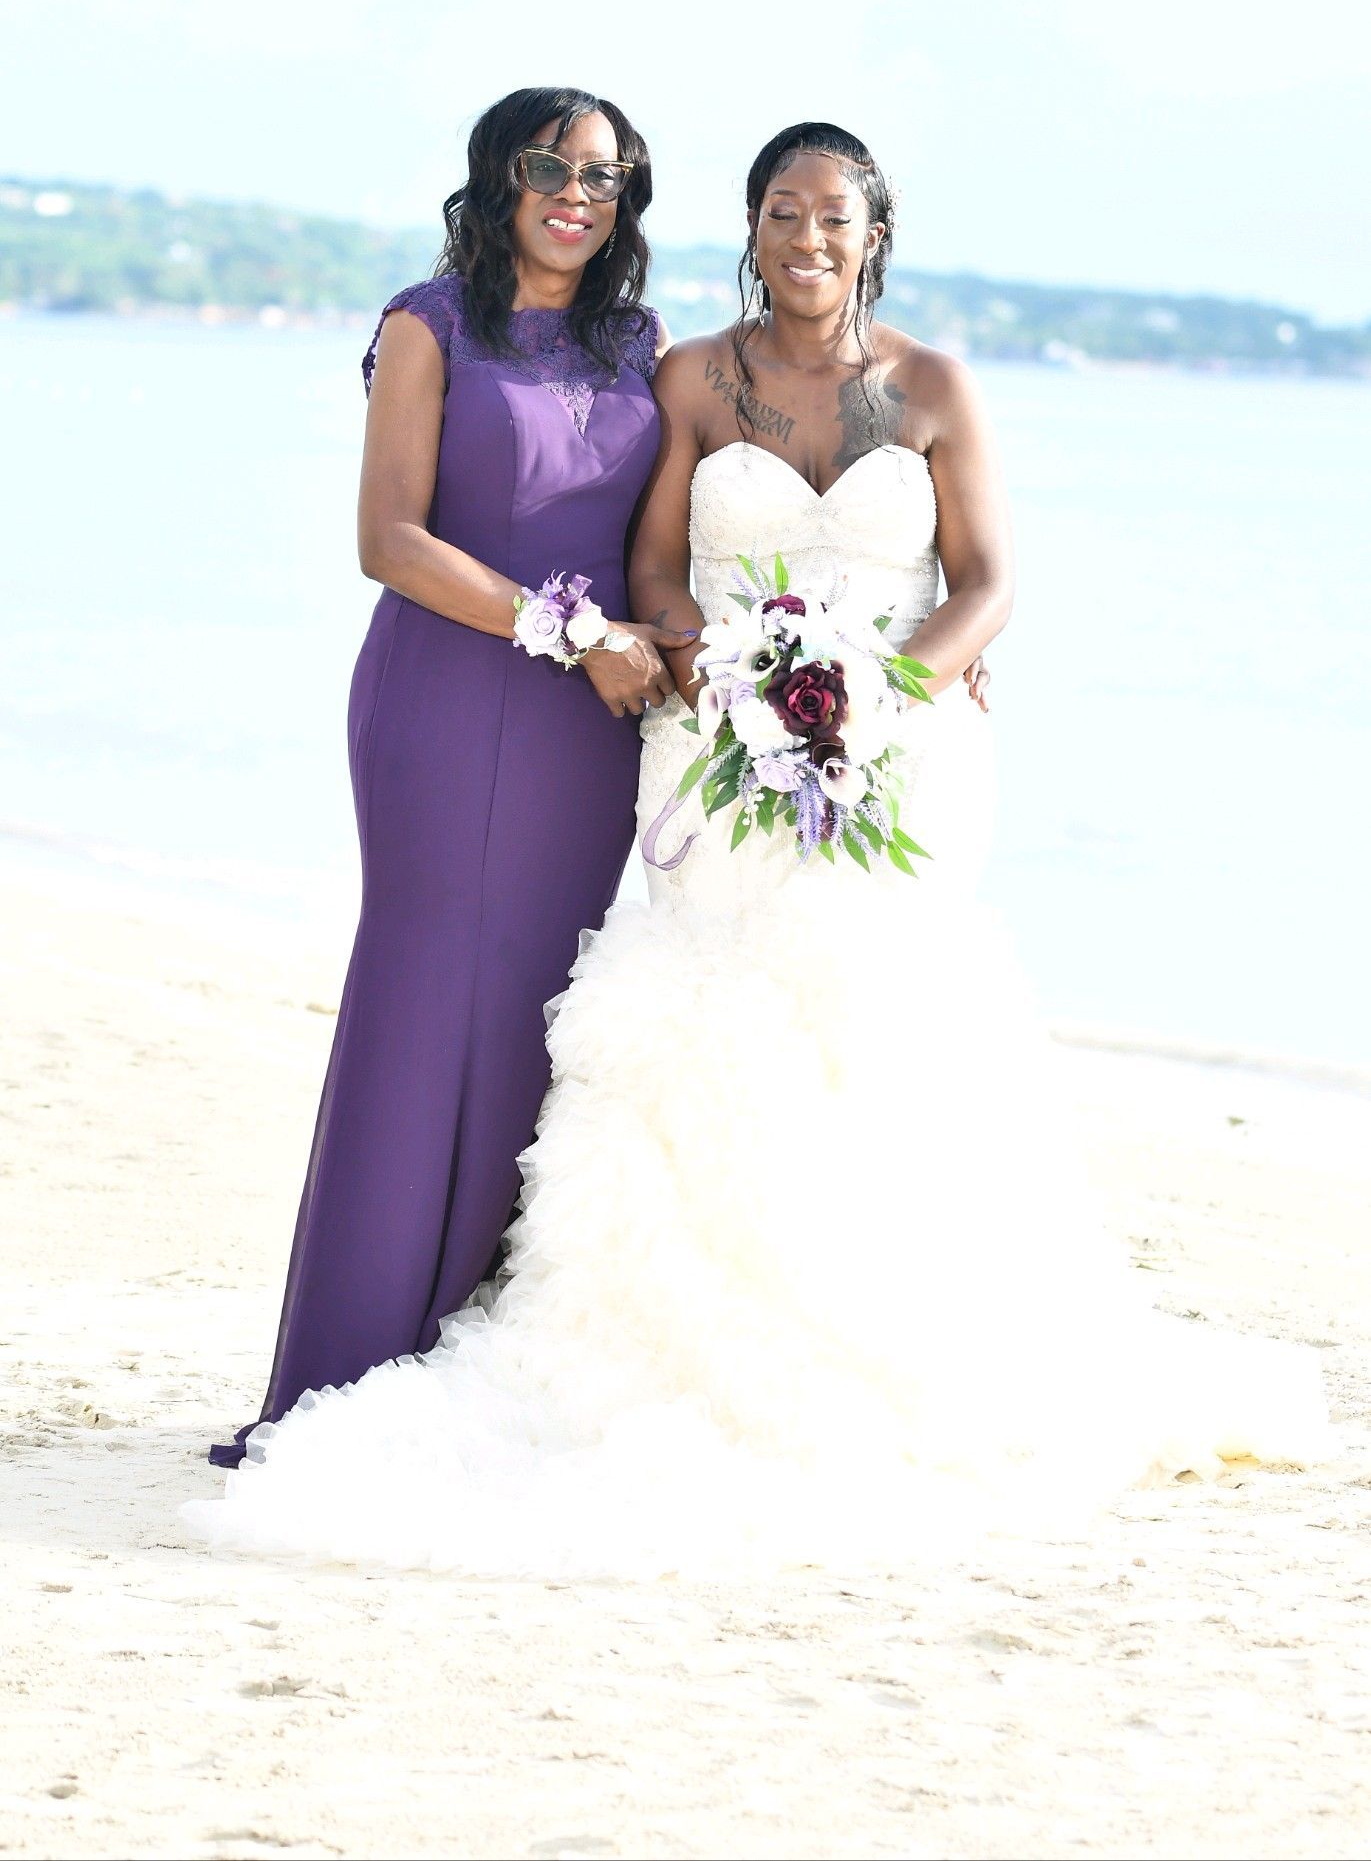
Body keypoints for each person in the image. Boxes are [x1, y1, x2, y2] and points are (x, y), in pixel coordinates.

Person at [191, 121, 1326, 1574]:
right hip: (717, 748)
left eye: (831, 217)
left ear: (872, 230)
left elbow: (985, 584)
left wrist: (888, 690)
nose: (806, 238)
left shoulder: (931, 385)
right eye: (781, 211)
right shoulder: (687, 373)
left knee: (876, 1037)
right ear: (751, 224)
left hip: (900, 768)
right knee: (698, 1019)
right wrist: (713, 657)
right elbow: (652, 560)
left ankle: (891, 1335)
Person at [208, 86, 695, 1467]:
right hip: (449, 693)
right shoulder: (427, 325)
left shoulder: (638, 340)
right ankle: (344, 1378)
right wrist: (569, 626)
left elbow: (668, 536)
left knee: (538, 1023)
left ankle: (471, 1366)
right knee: (423, 1010)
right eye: (551, 165)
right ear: (497, 177)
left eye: (608, 176)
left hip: (588, 728)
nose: (577, 193)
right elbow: (391, 540)